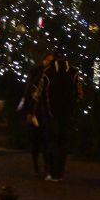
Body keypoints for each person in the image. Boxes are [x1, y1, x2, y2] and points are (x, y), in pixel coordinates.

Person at [32, 51, 82, 181]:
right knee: (63, 142)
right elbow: (79, 93)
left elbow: (38, 93)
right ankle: (60, 173)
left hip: (50, 113)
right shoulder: (73, 72)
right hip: (67, 113)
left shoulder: (48, 72)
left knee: (51, 142)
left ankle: (51, 172)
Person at [19, 52, 54, 178]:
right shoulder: (37, 73)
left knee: (45, 142)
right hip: (36, 112)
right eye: (48, 60)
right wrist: (29, 111)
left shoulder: (51, 75)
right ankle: (36, 167)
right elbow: (29, 91)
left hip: (44, 112)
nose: (49, 63)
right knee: (36, 141)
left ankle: (46, 168)